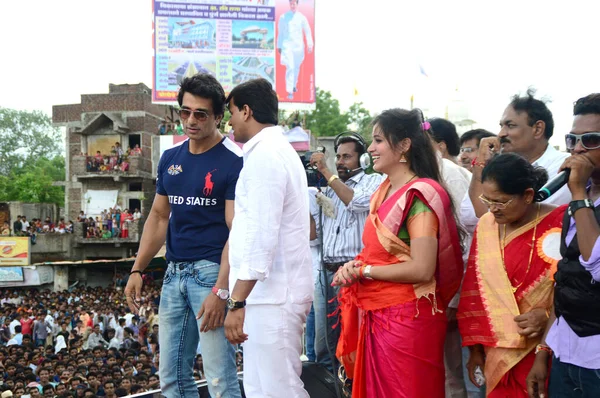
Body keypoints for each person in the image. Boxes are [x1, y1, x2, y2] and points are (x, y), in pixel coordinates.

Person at [125, 73, 242, 398]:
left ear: (219, 116)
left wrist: (221, 291)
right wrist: (138, 269)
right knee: (172, 378)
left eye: (200, 114)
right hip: (173, 273)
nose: (191, 120)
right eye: (185, 112)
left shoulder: (235, 162)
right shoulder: (170, 158)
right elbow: (159, 217)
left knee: (220, 380)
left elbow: (239, 232)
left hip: (210, 275)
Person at [333, 108, 464, 397]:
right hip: (377, 311)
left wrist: (364, 271)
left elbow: (421, 269)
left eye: (378, 140)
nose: (370, 148)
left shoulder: (419, 195)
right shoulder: (384, 191)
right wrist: (355, 265)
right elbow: (378, 253)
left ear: (404, 145)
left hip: (408, 318)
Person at [224, 78, 313, 398]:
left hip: (273, 295)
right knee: (261, 389)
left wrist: (236, 301)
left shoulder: (267, 155)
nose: (229, 122)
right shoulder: (268, 151)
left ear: (246, 111)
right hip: (266, 295)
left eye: (231, 112)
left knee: (280, 389)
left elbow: (261, 236)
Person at [457, 153, 566, 397]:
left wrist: (547, 316)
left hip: (543, 348)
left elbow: (577, 288)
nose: (492, 209)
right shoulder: (486, 226)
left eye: (501, 202)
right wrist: (475, 349)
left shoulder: (562, 222)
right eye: (488, 200)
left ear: (528, 195)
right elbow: (475, 290)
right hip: (494, 350)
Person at [527, 93, 600, 398]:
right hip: (566, 356)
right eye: (572, 140)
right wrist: (544, 349)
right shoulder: (579, 201)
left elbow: (595, 265)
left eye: (591, 139)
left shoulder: (579, 199)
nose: (578, 148)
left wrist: (578, 195)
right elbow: (567, 278)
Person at [308, 135, 383, 372]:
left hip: (353, 275)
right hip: (326, 273)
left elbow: (357, 202)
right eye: (338, 156)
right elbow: (314, 236)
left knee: (352, 345)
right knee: (324, 347)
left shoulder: (374, 181)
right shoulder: (330, 189)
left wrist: (328, 175)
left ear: (363, 159)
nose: (340, 162)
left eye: (346, 157)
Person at [462, 90, 571, 236]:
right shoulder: (498, 167)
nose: (501, 134)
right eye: (501, 126)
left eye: (510, 125)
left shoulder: (562, 167)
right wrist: (480, 164)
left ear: (538, 129)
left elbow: (496, 218)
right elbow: (468, 217)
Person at [277, 0, 313, 100]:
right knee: (290, 67)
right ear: (289, 4)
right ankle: (289, 91)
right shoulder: (283, 17)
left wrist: (310, 44)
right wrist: (279, 46)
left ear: (297, 4)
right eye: (291, 4)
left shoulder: (302, 17)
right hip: (287, 45)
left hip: (298, 47)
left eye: (294, 4)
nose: (292, 5)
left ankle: (293, 85)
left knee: (296, 67)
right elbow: (281, 32)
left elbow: (307, 31)